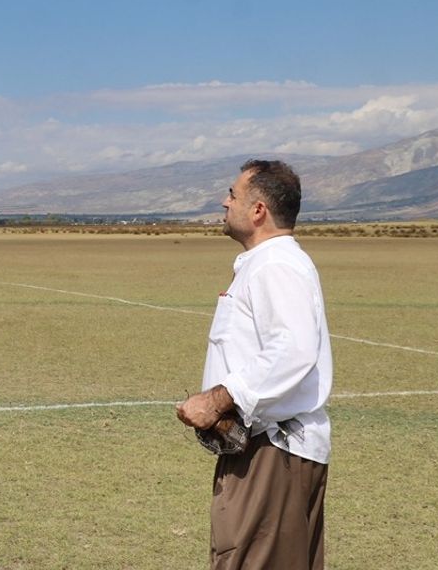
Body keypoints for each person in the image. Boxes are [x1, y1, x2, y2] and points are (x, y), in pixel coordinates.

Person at [177, 159, 333, 570]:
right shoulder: (266, 264)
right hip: (264, 449)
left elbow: (294, 349)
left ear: (258, 210)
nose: (224, 202)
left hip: (271, 453)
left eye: (232, 194)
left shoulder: (276, 265)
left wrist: (218, 398)